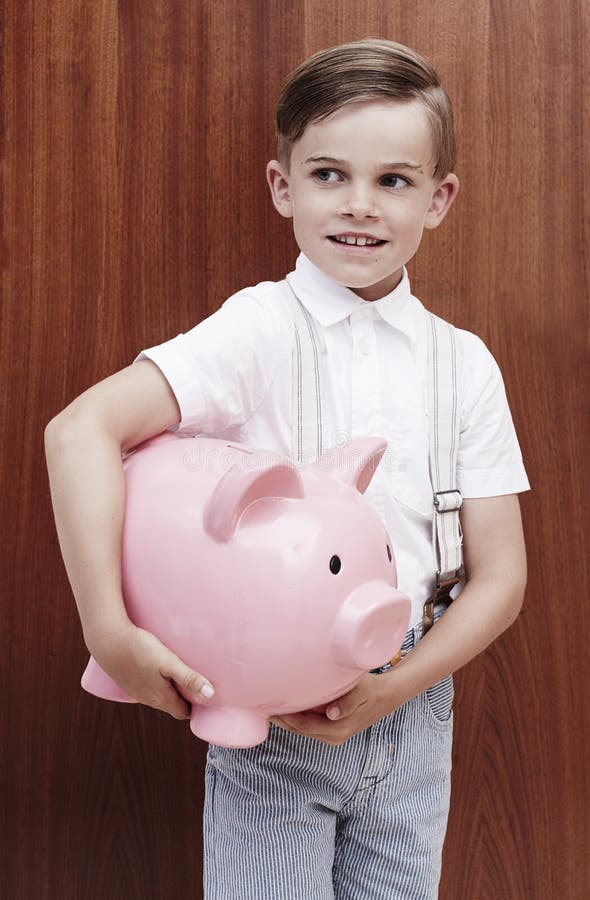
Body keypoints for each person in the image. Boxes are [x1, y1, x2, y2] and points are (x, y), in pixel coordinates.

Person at [45, 38, 529, 899]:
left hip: (416, 706)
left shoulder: (466, 364)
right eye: (328, 174)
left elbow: (501, 576)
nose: (360, 207)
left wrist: (397, 689)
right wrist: (107, 632)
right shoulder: (258, 330)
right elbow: (80, 430)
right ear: (282, 186)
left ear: (439, 198)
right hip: (269, 718)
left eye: (394, 180)